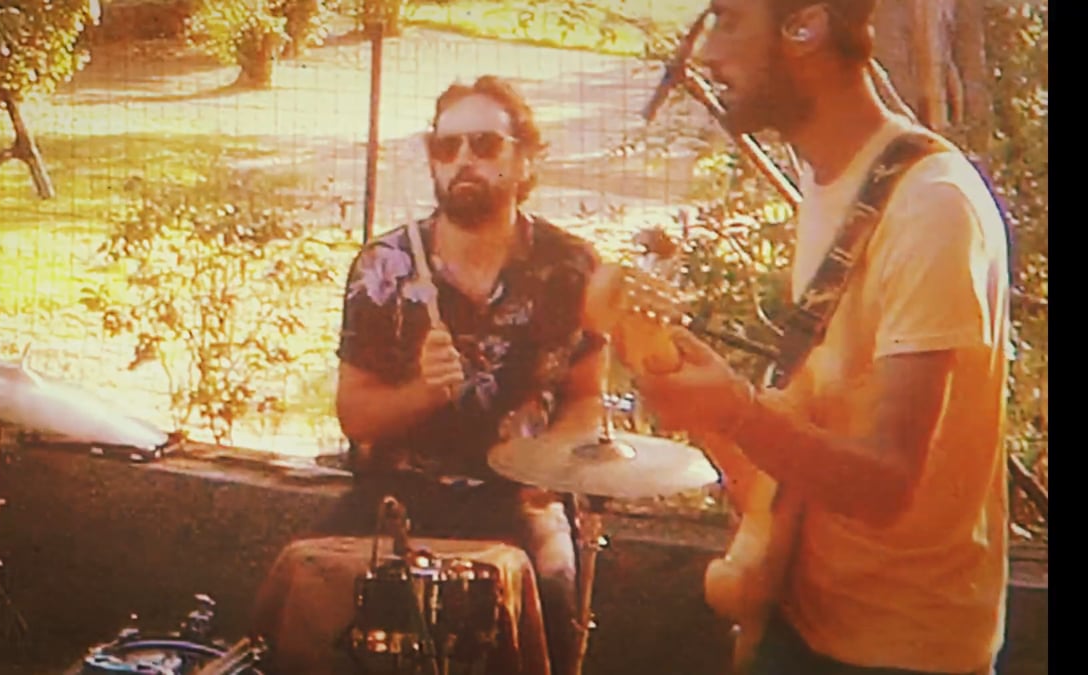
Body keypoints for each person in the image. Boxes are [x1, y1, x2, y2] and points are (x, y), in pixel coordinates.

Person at [627, 1, 1013, 674]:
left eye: (728, 20)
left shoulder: (932, 208)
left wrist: (736, 410)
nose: (709, 55)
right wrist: (706, 402)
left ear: (805, 27)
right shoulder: (835, 177)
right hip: (802, 615)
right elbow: (822, 418)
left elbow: (887, 484)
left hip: (902, 651)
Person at [318, 75, 608, 675]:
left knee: (553, 595)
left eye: (485, 144)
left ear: (525, 160)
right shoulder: (385, 266)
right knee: (312, 586)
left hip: (519, 500)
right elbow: (355, 415)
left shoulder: (572, 268)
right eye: (447, 147)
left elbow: (586, 400)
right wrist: (424, 393)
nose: (464, 160)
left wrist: (547, 463)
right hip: (399, 494)